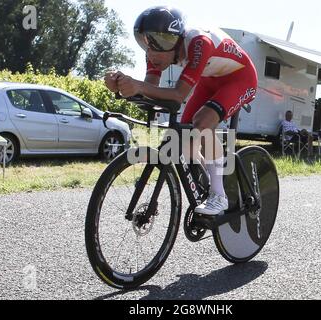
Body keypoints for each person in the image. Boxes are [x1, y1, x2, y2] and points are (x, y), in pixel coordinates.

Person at [104, 6, 258, 215]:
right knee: (182, 138)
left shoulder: (199, 43)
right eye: (145, 43)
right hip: (209, 80)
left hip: (240, 78)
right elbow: (151, 91)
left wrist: (139, 86)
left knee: (203, 122)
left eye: (158, 44)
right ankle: (206, 177)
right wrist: (123, 88)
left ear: (176, 40)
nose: (151, 52)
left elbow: (178, 95)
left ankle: (219, 195)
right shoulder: (157, 51)